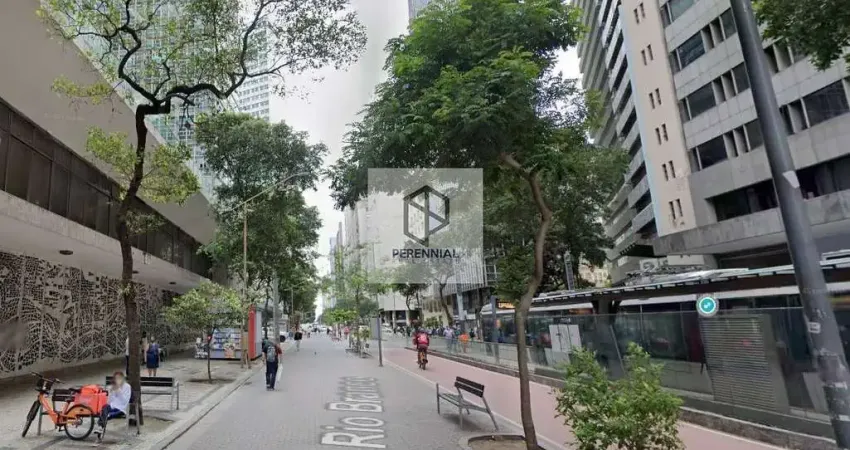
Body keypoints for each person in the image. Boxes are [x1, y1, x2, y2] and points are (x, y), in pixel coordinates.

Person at [96, 371, 131, 436]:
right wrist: (111, 393)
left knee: (106, 414)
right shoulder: (114, 387)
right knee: (105, 407)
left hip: (120, 409)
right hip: (112, 407)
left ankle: (100, 427)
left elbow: (125, 401)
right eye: (116, 378)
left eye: (119, 378)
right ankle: (100, 428)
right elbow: (109, 402)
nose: (118, 380)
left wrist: (118, 391)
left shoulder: (127, 387)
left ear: (123, 379)